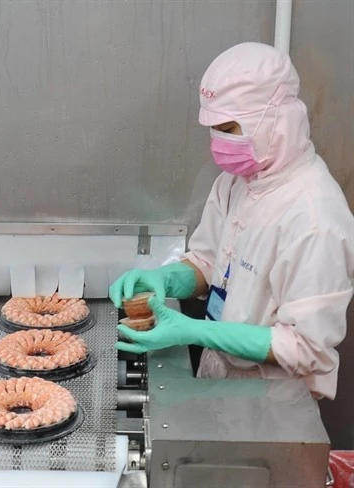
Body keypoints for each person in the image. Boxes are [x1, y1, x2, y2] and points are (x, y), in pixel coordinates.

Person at [110, 42, 354, 400]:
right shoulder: (238, 181)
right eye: (213, 128)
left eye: (228, 128)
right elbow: (209, 262)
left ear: (274, 123)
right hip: (217, 378)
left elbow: (306, 348)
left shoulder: (315, 220)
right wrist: (165, 279)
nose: (218, 142)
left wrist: (195, 331)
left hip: (272, 403)